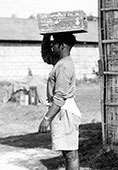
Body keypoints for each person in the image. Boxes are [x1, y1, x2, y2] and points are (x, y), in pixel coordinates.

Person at [38, 33, 81, 170]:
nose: (52, 45)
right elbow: (46, 55)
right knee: (68, 152)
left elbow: (60, 97)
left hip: (64, 112)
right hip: (62, 111)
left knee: (70, 154)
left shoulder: (63, 66)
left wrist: (47, 118)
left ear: (62, 46)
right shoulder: (60, 62)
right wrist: (46, 36)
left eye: (54, 43)